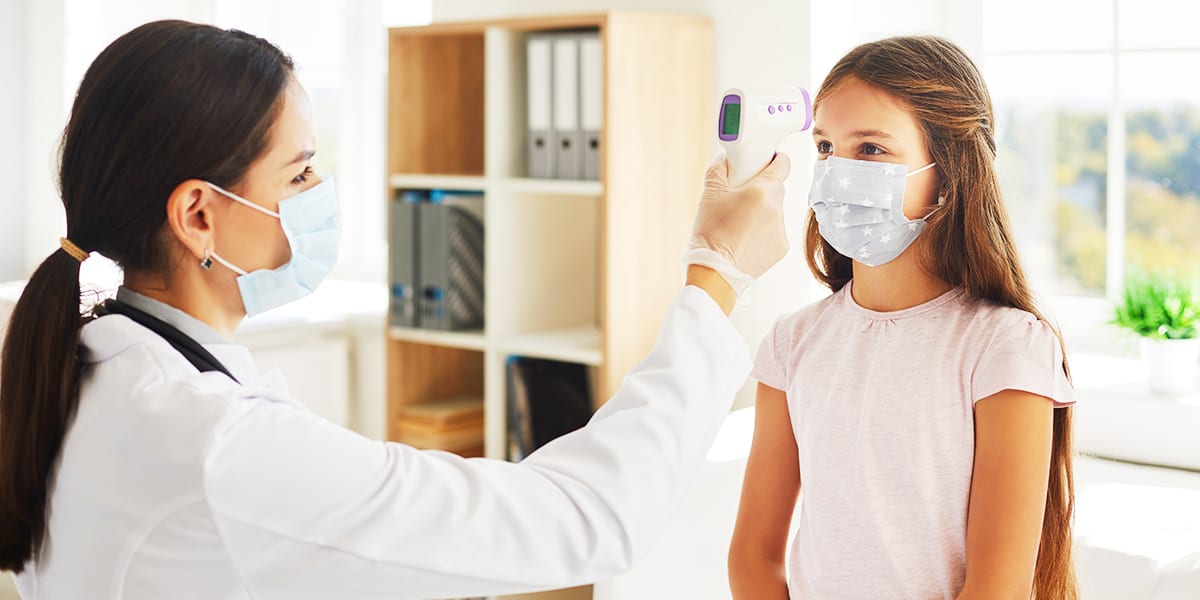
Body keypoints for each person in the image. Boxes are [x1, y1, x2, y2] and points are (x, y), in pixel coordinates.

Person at [0, 20, 792, 599]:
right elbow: (587, 521)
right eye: (301, 174)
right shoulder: (212, 438)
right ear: (199, 215)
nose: (322, 196)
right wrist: (715, 278)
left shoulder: (102, 361)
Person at [728, 36, 1077, 599]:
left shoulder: (1004, 346)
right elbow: (754, 555)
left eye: (870, 149)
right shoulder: (793, 342)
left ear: (950, 169)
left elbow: (997, 589)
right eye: (825, 147)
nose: (839, 171)